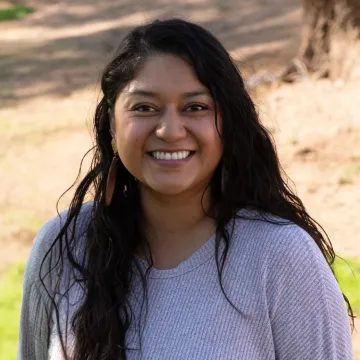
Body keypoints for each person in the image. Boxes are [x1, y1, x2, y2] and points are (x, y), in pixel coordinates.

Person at [18, 18, 354, 360]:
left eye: (196, 107)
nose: (170, 130)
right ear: (111, 126)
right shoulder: (63, 246)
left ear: (229, 123)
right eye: (144, 107)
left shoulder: (281, 257)